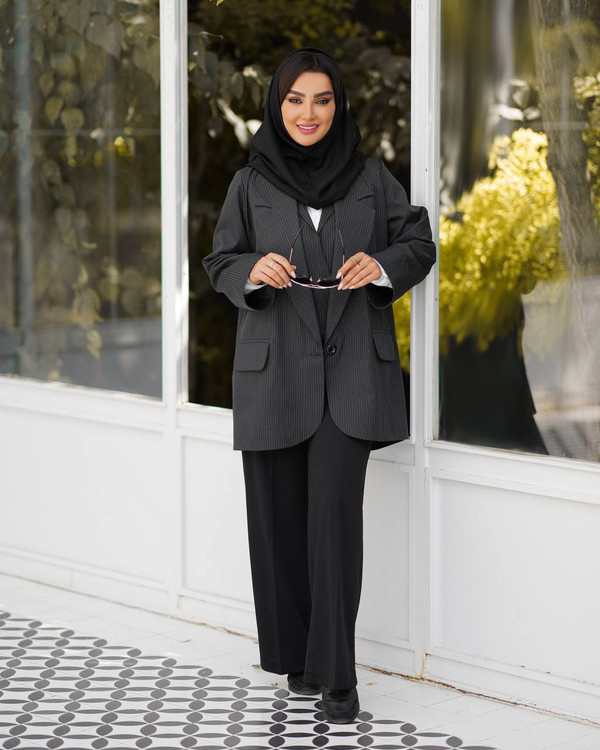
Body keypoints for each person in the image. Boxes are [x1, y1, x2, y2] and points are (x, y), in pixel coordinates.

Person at [202, 47, 436, 724]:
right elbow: (220, 259)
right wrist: (253, 271)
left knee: (333, 521)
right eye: (295, 99)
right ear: (278, 106)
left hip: (353, 375)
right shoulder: (250, 183)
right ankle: (300, 660)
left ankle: (339, 676)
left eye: (323, 100)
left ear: (339, 106)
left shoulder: (371, 178)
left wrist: (380, 266)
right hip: (273, 375)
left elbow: (417, 244)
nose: (309, 113)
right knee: (279, 526)